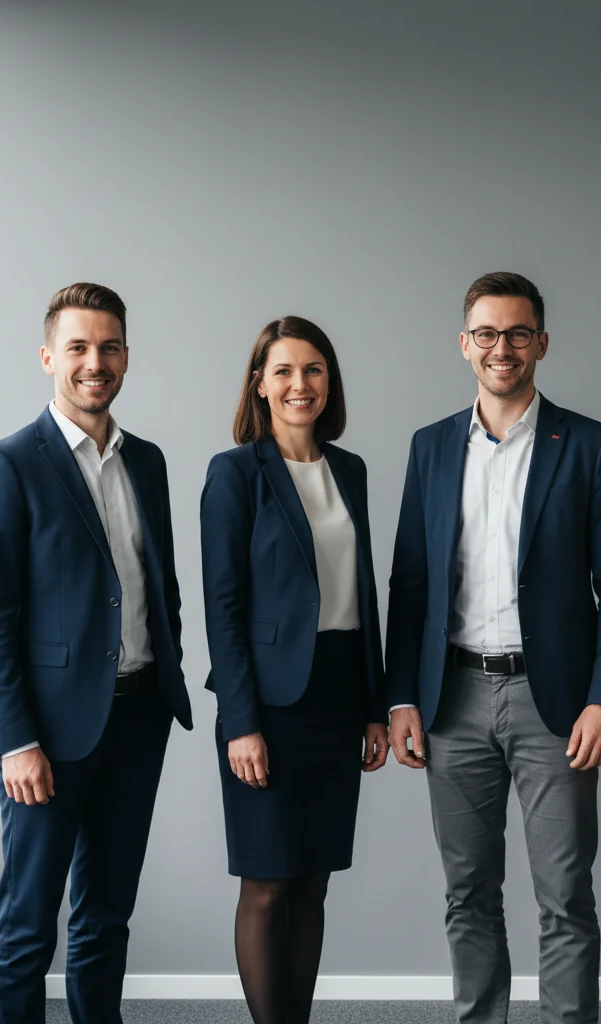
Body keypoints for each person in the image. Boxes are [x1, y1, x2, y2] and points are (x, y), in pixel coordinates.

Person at [386, 272, 601, 1024]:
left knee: (565, 896)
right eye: (488, 334)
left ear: (542, 343)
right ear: (465, 344)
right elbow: (410, 582)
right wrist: (401, 697)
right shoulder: (431, 447)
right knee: (468, 893)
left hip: (555, 702)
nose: (503, 348)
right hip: (452, 699)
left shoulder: (590, 445)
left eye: (518, 333)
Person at [0, 282, 193, 1024]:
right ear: (48, 357)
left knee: (106, 918)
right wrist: (15, 739)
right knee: (28, 925)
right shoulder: (7, 465)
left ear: (126, 355)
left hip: (138, 719)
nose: (96, 362)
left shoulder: (147, 462)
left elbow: (158, 585)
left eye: (110, 347)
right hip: (46, 736)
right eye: (79, 348)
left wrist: (166, 685)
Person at [201, 316, 389, 1024]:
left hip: (338, 696)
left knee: (313, 883)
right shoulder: (234, 473)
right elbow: (223, 609)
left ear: (328, 381)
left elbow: (363, 594)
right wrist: (241, 723)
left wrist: (373, 705)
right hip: (269, 705)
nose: (299, 384)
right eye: (282, 371)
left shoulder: (351, 471)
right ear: (260, 383)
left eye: (313, 370)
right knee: (268, 885)